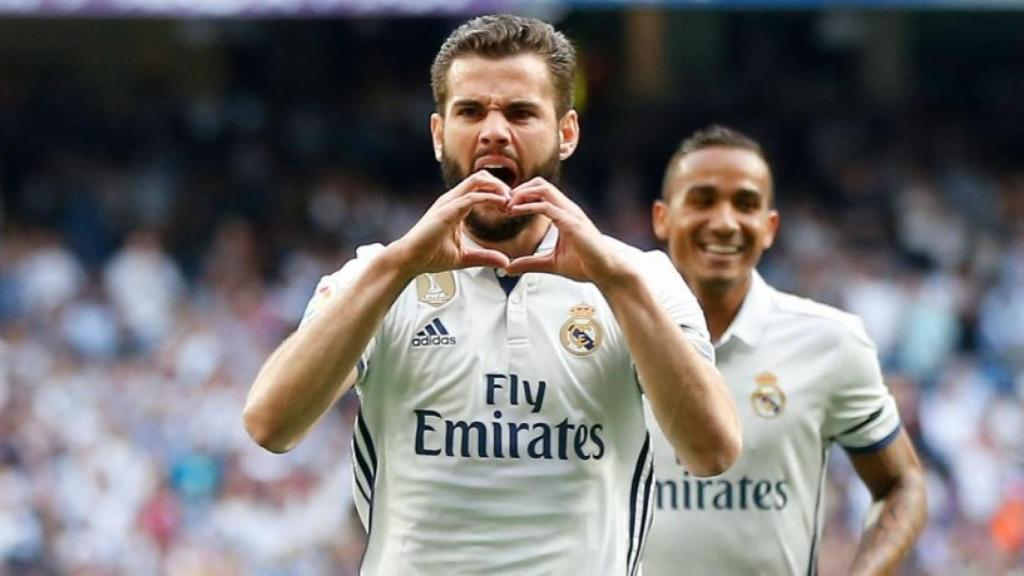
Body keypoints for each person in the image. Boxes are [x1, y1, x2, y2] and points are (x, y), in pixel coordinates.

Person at [242, 15, 740, 575]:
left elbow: (712, 452)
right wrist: (398, 267)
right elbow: (270, 425)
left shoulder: (639, 280)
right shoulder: (378, 275)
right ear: (438, 133)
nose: (495, 132)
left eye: (521, 112)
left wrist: (617, 285)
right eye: (471, 111)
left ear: (566, 132)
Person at [643, 125, 927, 575]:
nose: (724, 222)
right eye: (702, 200)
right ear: (662, 217)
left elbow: (903, 484)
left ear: (770, 227)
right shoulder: (612, 334)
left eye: (746, 204)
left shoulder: (830, 342)